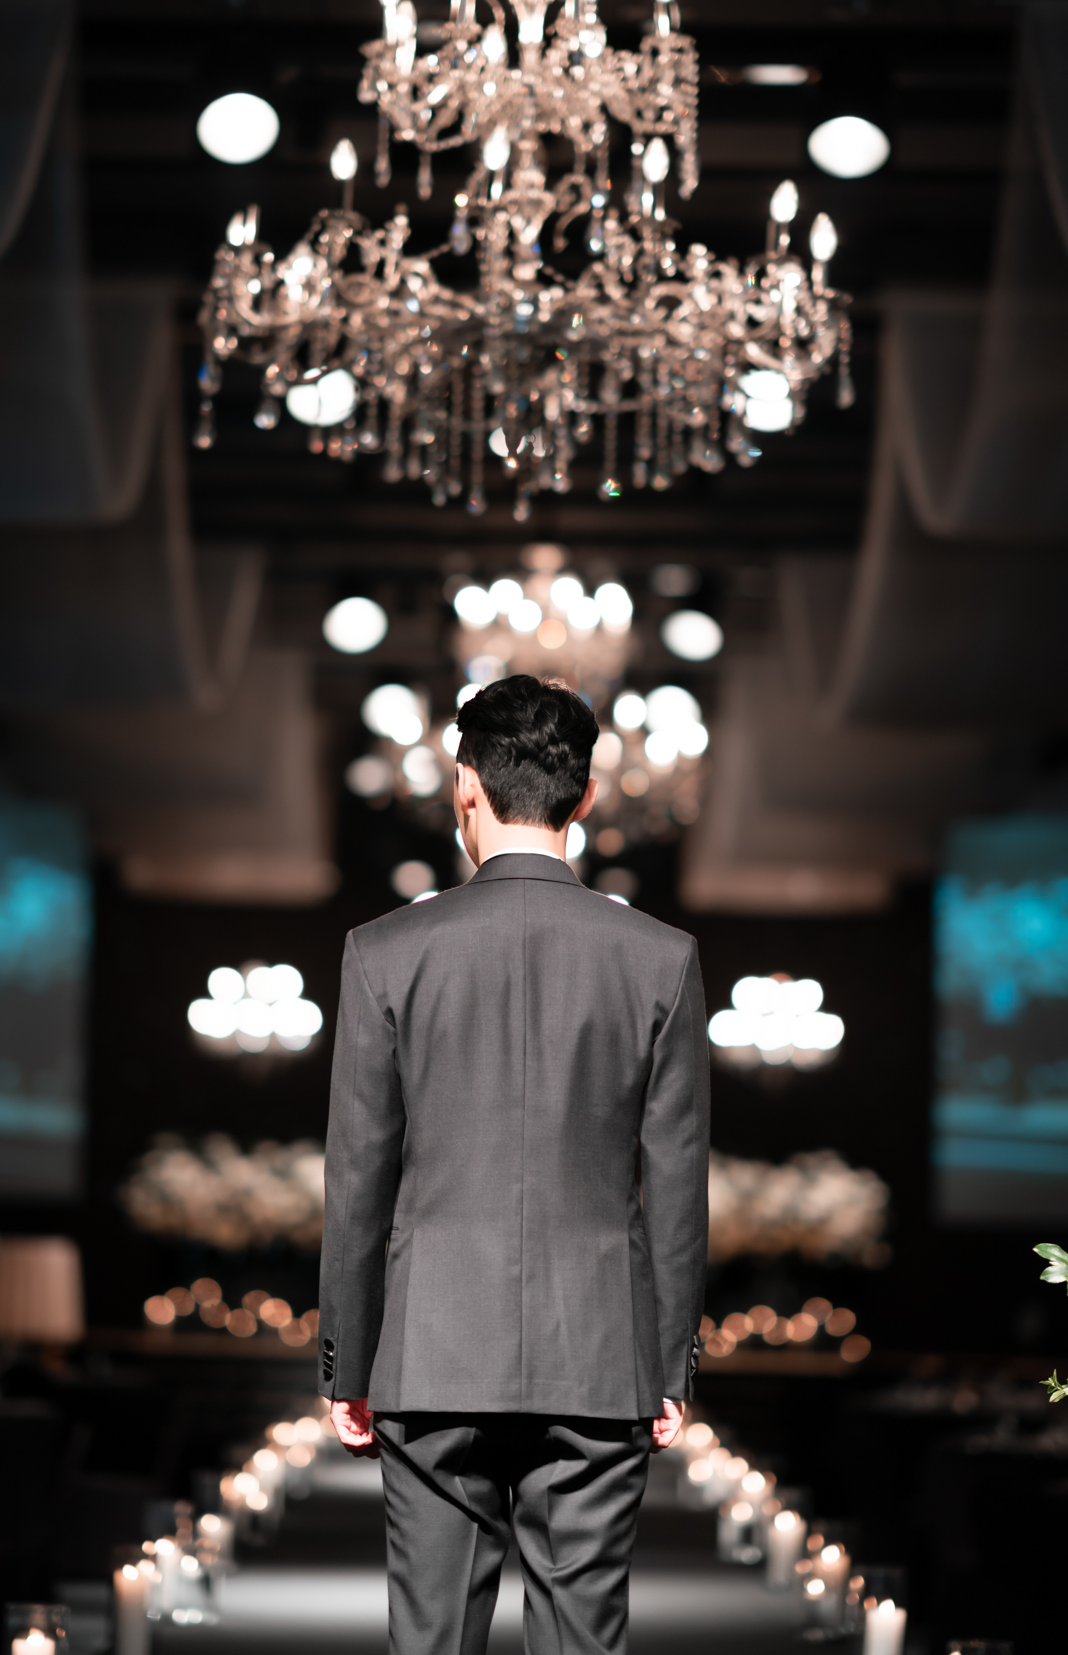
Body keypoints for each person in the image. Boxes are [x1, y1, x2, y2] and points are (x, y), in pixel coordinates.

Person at [317, 673, 710, 1655]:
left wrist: (348, 1361)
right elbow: (677, 1182)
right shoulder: (661, 958)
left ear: (465, 786)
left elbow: (358, 1177)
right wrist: (669, 1364)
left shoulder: (383, 952)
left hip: (430, 1356)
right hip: (599, 1361)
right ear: (585, 797)